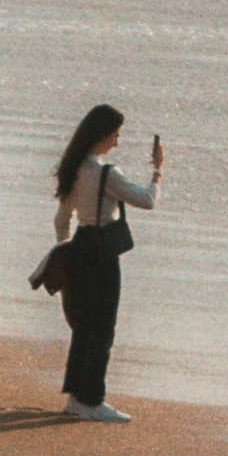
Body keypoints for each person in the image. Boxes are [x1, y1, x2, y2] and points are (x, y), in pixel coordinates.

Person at [47, 97, 162, 421]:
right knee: (102, 328)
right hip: (102, 253)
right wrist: (158, 171)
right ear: (103, 134)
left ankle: (76, 398)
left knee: (84, 326)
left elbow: (61, 218)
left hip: (81, 246)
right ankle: (92, 400)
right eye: (116, 134)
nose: (118, 140)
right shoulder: (105, 173)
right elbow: (146, 201)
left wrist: (64, 250)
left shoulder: (75, 166)